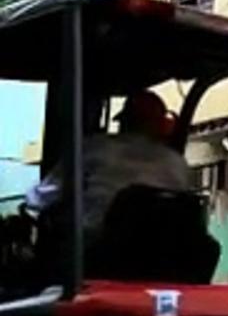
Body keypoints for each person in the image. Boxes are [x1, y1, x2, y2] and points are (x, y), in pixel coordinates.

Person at [25, 90, 193, 241]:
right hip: (163, 257)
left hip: (95, 254)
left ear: (125, 122)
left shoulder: (95, 147)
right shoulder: (177, 162)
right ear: (161, 126)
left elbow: (40, 199)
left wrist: (30, 200)